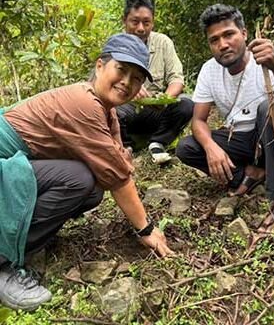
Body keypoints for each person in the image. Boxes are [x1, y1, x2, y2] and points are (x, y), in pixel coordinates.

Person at [0, 34, 173, 311]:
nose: (127, 82)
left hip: (10, 165)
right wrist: (146, 229)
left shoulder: (106, 111)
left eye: (136, 78)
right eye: (121, 69)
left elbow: (118, 162)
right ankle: (3, 260)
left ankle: (23, 238)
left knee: (91, 189)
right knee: (78, 180)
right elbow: (118, 178)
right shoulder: (84, 103)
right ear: (100, 66)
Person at [175, 4, 274, 232]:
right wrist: (211, 148)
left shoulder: (273, 60)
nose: (223, 44)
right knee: (187, 147)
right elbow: (198, 120)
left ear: (244, 34)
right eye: (214, 40)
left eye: (229, 34)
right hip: (241, 140)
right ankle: (253, 173)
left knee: (270, 108)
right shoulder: (209, 70)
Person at [115, 0, 194, 164]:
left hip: (154, 109)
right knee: (111, 111)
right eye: (135, 22)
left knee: (186, 104)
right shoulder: (115, 45)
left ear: (153, 22)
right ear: (124, 20)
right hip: (125, 108)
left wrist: (165, 99)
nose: (141, 28)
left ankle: (157, 142)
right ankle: (125, 147)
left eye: (146, 22)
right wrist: (130, 90)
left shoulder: (163, 43)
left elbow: (176, 79)